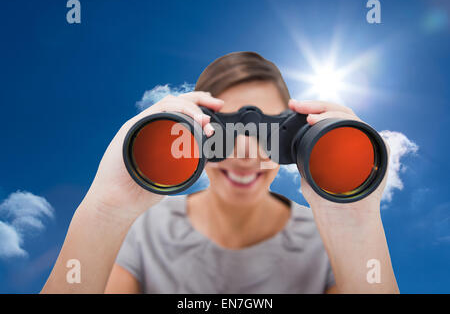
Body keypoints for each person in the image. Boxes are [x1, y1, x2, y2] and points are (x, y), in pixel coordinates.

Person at [41, 51, 399, 294]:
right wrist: (105, 211)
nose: (244, 153)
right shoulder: (141, 232)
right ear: (190, 131)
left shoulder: (327, 239)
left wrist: (354, 221)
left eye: (267, 133)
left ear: (296, 135)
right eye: (219, 133)